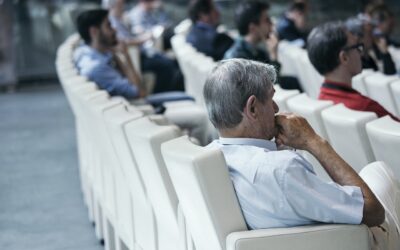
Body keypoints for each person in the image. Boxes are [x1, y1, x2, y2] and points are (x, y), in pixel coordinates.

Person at [204, 58, 396, 248]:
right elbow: (373, 211)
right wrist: (313, 141)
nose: (276, 108)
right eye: (271, 99)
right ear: (252, 108)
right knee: (379, 169)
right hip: (352, 241)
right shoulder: (281, 170)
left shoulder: (210, 158)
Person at [74, 9, 209, 144]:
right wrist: (125, 56)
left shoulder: (87, 54)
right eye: (108, 26)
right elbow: (140, 92)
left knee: (188, 97)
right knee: (201, 118)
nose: (115, 29)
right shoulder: (97, 68)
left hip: (134, 109)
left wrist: (115, 54)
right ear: (94, 31)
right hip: (138, 116)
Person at [307, 21, 399, 121]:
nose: (361, 54)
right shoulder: (365, 108)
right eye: (357, 47)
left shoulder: (322, 101)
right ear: (344, 57)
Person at [224, 1, 302, 91]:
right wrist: (273, 56)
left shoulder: (257, 52)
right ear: (252, 27)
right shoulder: (237, 60)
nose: (272, 24)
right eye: (267, 20)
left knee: (291, 81)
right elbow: (269, 89)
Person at [109, 0, 184, 92]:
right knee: (166, 65)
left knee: (170, 60)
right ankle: (161, 94)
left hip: (142, 51)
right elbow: (124, 41)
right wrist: (142, 39)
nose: (123, 7)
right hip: (137, 56)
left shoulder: (119, 19)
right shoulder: (113, 22)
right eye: (120, 5)